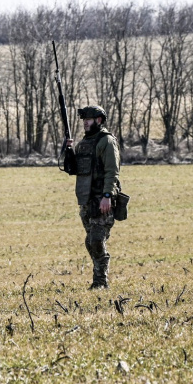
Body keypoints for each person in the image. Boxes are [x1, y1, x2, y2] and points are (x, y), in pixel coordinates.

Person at [63, 105, 121, 289]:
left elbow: (112, 172)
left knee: (96, 239)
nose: (85, 123)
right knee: (91, 242)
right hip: (86, 202)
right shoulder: (84, 143)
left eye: (89, 119)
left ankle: (100, 282)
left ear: (99, 120)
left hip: (102, 200)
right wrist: (69, 151)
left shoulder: (107, 141)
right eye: (84, 120)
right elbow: (74, 170)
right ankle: (99, 279)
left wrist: (107, 196)